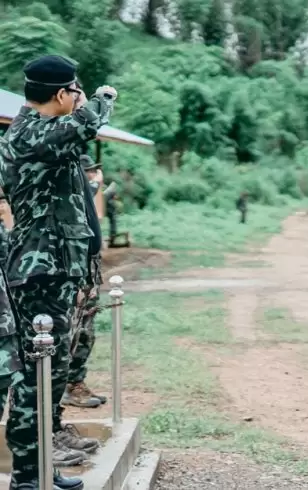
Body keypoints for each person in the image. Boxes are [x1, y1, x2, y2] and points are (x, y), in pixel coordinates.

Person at [0, 55, 116, 490]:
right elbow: (85, 124)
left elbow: (77, 137)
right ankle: (28, 478)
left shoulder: (46, 134)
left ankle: (41, 468)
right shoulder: (31, 131)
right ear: (63, 94)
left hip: (52, 267)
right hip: (38, 270)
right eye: (74, 92)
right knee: (37, 374)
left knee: (52, 370)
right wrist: (102, 98)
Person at [62, 155, 107, 408]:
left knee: (86, 330)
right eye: (89, 171)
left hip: (89, 266)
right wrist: (93, 186)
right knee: (75, 330)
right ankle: (67, 385)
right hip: (76, 268)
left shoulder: (83, 186)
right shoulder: (70, 184)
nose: (92, 175)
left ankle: (75, 380)